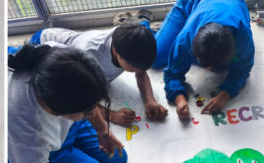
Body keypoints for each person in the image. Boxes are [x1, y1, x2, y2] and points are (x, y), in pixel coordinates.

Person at [152, 0, 255, 119]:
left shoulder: (243, 36)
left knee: (223, 69)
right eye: (204, 64)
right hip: (192, 3)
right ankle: (144, 24)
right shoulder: (186, 38)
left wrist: (225, 95)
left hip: (230, 0)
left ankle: (165, 33)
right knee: (155, 57)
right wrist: (179, 98)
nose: (208, 69)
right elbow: (173, 72)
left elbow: (242, 69)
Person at [36, 22, 167, 124]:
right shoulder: (90, 56)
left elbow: (141, 73)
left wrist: (150, 100)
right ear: (116, 52)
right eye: (132, 67)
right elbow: (81, 99)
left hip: (65, 40)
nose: (137, 71)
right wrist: (112, 116)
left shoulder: (127, 41)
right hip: (42, 43)